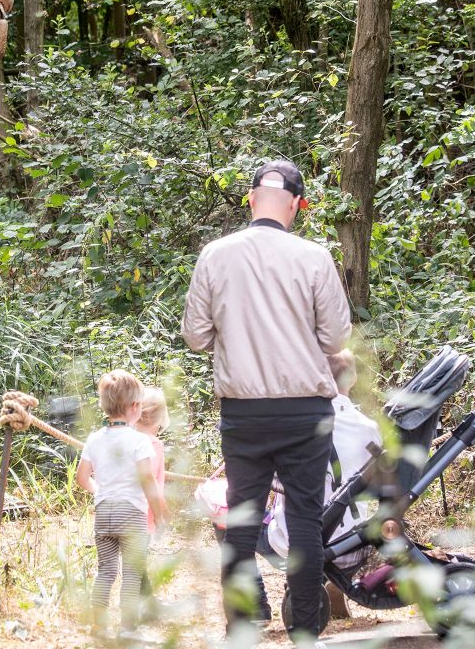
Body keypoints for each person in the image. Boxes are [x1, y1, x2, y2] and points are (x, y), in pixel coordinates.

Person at [182, 159, 352, 647]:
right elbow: (336, 336)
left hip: (244, 413)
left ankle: (240, 627)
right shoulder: (314, 257)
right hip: (306, 411)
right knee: (303, 518)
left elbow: (195, 337)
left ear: (251, 199)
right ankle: (304, 631)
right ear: (297, 205)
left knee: (241, 517)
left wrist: (235, 336)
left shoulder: (215, 255)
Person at [266, 350, 382, 570]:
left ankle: (259, 602)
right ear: (353, 378)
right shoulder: (369, 430)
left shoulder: (291, 425)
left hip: (296, 544)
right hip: (353, 545)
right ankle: (333, 588)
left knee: (225, 513)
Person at [76, 370, 171, 637]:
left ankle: (98, 625)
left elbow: (81, 478)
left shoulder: (94, 439)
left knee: (105, 571)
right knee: (131, 573)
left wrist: (101, 493)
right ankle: (127, 628)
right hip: (131, 514)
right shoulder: (140, 441)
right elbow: (148, 481)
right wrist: (161, 512)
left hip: (103, 512)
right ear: (133, 408)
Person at [133, 387, 169, 612]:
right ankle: (146, 608)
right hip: (143, 512)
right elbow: (153, 483)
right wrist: (162, 514)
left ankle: (147, 604)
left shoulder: (123, 438)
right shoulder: (155, 445)